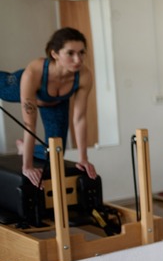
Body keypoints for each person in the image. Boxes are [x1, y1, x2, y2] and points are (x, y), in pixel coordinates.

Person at [0, 27, 97, 187]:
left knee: (56, 153)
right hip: (21, 87)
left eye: (81, 52)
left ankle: (24, 147)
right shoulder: (34, 72)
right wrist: (27, 167)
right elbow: (30, 124)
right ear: (55, 54)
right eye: (70, 53)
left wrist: (83, 159)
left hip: (55, 104)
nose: (78, 59)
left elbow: (79, 119)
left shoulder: (84, 76)